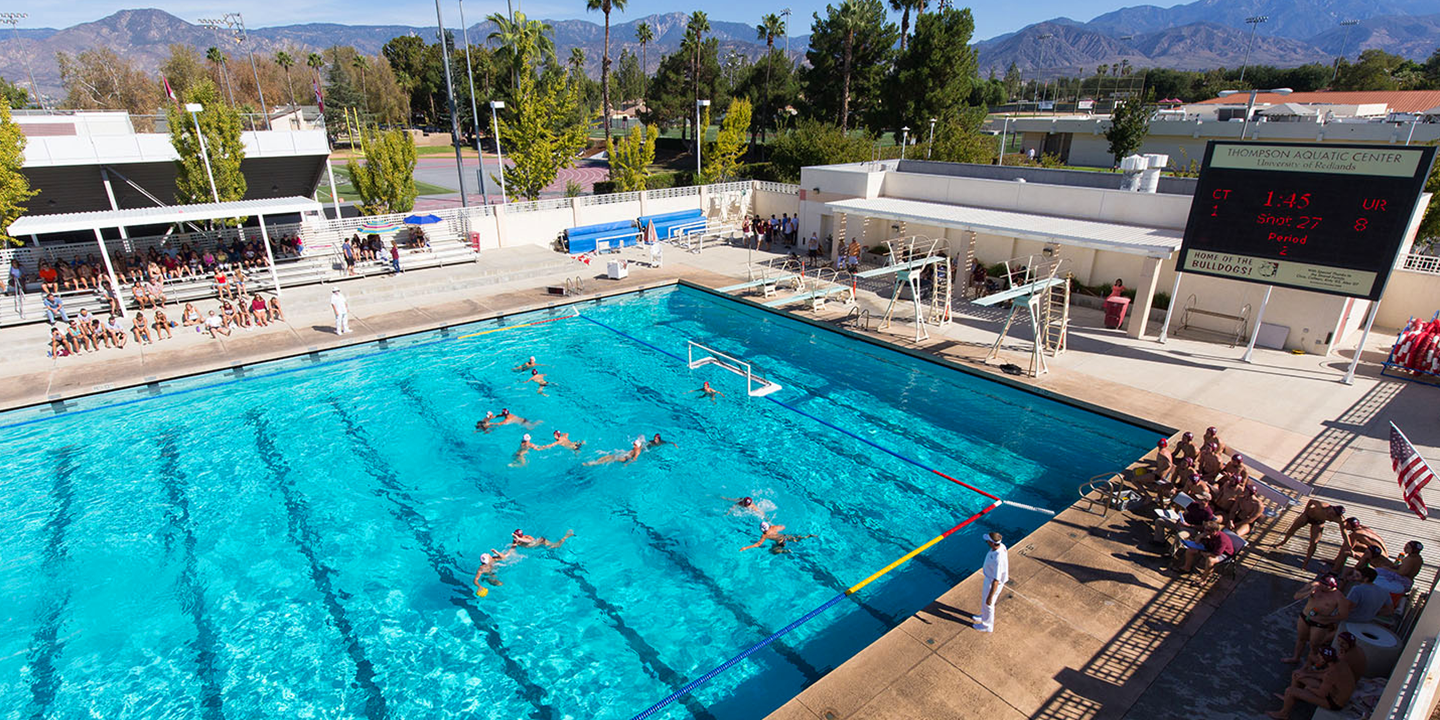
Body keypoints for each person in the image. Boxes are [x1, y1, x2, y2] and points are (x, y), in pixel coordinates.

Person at [1267, 645, 1355, 719]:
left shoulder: (1331, 674)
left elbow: (1322, 694)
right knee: (1297, 674)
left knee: (1290, 690)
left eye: (1320, 656)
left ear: (1324, 660)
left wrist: (1309, 689)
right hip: (1331, 690)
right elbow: (1323, 674)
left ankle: (1283, 714)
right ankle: (1291, 698)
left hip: (1333, 702)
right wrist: (1306, 674)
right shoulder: (1338, 662)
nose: (1318, 656)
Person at [1283, 575, 1350, 664]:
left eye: (1323, 585)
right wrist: (1308, 592)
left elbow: (1343, 615)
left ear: (1329, 587)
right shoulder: (1314, 586)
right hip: (1305, 617)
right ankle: (1296, 657)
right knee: (1301, 639)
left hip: (1320, 624)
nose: (1320, 586)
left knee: (1314, 645)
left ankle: (1309, 665)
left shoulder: (1339, 597)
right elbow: (1296, 596)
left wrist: (1326, 619)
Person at [1270, 500, 1347, 569]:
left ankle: (1306, 562)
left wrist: (1348, 544)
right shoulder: (1322, 505)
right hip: (1307, 516)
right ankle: (1283, 542)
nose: (1329, 515)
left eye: (1332, 515)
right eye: (1330, 512)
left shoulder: (1338, 519)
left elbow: (1344, 532)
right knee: (1292, 530)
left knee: (1314, 542)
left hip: (1318, 522)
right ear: (1331, 508)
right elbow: (1311, 501)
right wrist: (1305, 511)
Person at [974, 532, 1009, 632]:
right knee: (985, 602)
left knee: (989, 603)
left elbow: (996, 580)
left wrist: (990, 596)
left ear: (993, 543)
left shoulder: (998, 558)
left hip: (992, 582)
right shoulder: (1001, 546)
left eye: (988, 541)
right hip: (989, 579)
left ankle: (987, 626)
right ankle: (984, 616)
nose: (986, 542)